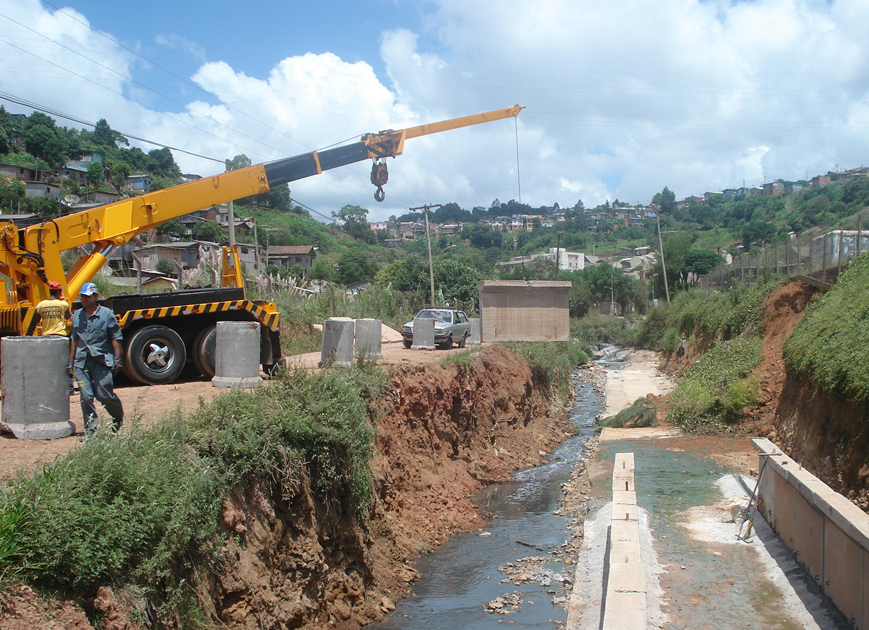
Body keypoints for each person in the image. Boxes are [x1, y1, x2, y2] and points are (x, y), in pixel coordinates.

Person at [68, 282, 124, 438]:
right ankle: (90, 432)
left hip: (101, 361)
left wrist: (117, 359)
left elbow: (116, 338)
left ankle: (117, 416)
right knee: (85, 397)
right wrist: (70, 362)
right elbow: (74, 339)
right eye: (82, 296)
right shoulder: (77, 315)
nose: (84, 299)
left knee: (104, 394)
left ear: (95, 297)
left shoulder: (107, 314)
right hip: (82, 362)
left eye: (87, 296)